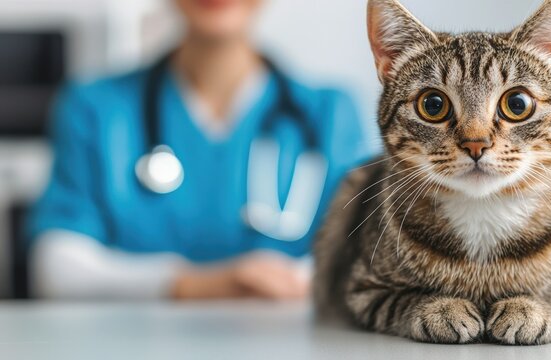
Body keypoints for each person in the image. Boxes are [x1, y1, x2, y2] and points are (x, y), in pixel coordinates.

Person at [26, 0, 373, 300]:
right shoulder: (96, 108)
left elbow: (363, 255)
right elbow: (55, 267)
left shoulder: (331, 113)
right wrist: (196, 284)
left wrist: (289, 282)